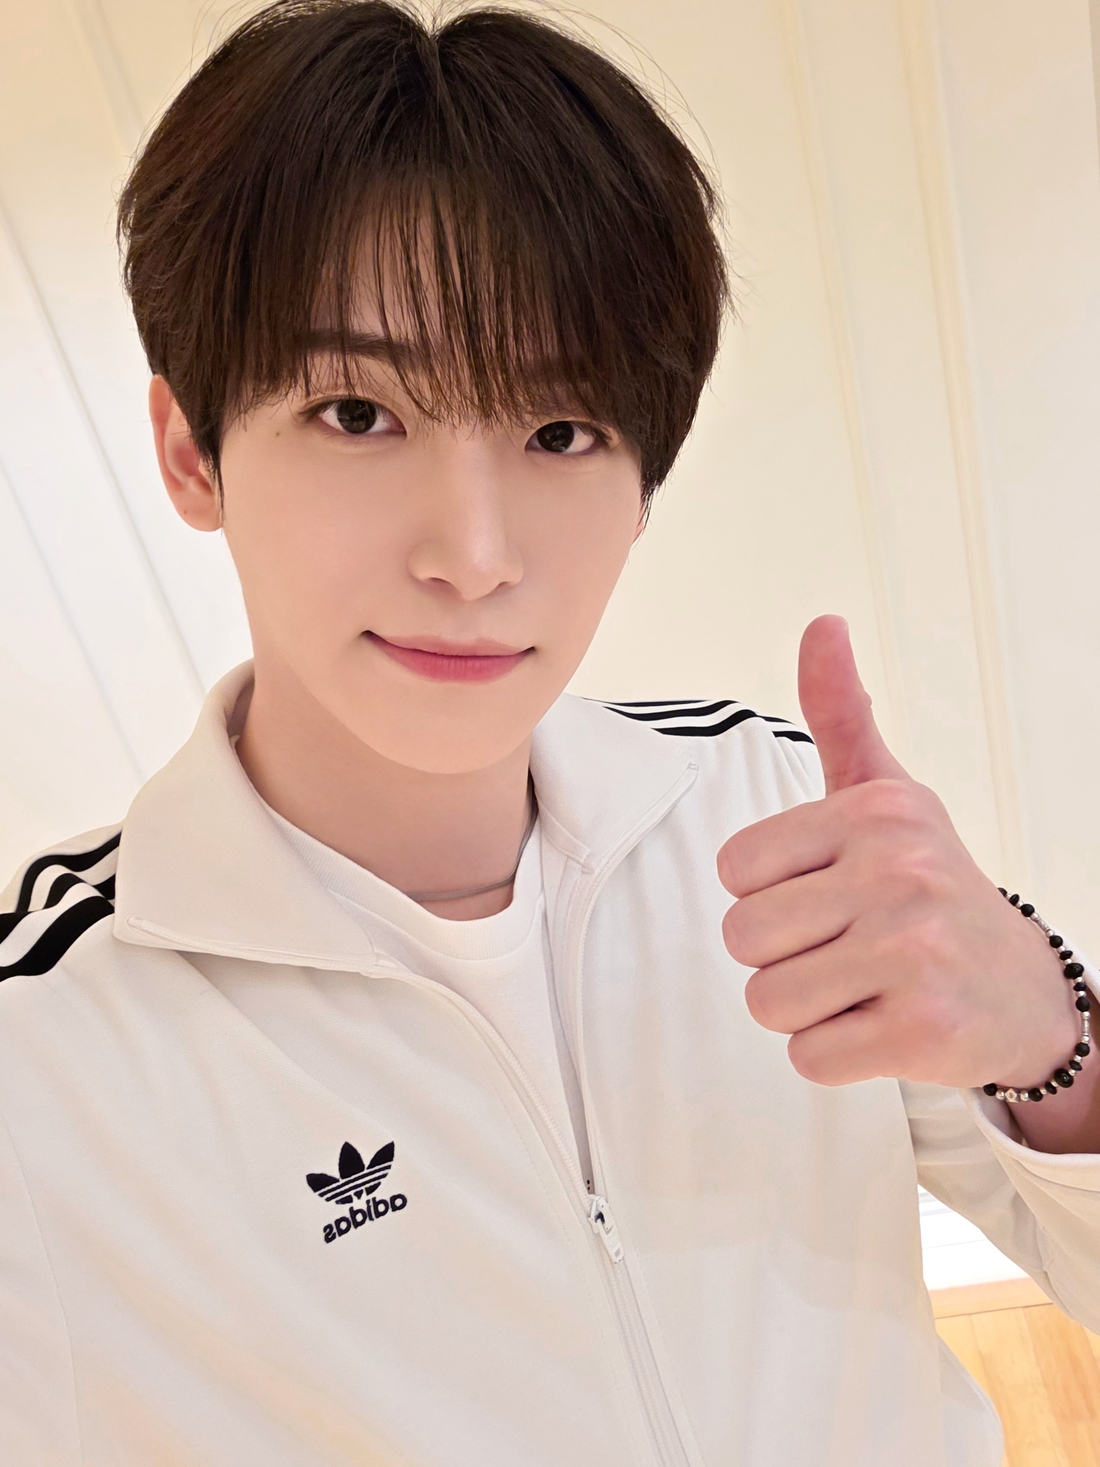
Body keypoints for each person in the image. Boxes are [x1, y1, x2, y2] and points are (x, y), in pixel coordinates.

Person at [1, 3, 1097, 1463]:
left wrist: (1055, 1050)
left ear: (643, 483)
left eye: (561, 432)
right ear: (191, 451)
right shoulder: (44, 1054)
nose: (474, 555)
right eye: (356, 412)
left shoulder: (766, 801)